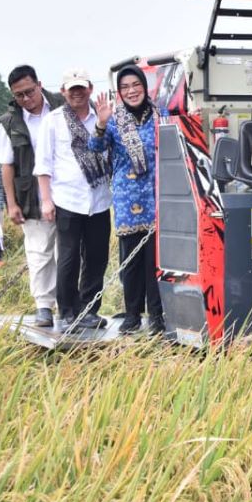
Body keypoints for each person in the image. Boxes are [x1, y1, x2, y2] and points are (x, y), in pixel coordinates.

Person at [35, 68, 113, 330]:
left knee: (97, 257)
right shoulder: (53, 120)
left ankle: (89, 310)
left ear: (90, 89)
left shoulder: (102, 116)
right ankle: (68, 311)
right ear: (63, 92)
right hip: (67, 198)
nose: (77, 93)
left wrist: (104, 122)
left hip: (99, 198)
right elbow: (43, 164)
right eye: (72, 89)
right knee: (68, 258)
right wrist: (46, 200)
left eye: (81, 88)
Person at [91, 65, 165, 335]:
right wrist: (101, 124)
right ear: (119, 93)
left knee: (155, 260)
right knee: (131, 261)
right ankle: (132, 315)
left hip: (157, 196)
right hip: (127, 198)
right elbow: (95, 148)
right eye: (125, 87)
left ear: (145, 86)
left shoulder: (160, 116)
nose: (131, 91)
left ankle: (156, 315)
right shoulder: (114, 120)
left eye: (136, 85)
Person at [0, 64, 63, 328]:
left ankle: (71, 305)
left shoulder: (62, 107)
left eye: (29, 92)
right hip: (31, 196)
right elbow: (6, 165)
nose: (26, 99)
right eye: (19, 95)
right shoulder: (9, 122)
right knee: (39, 251)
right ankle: (44, 306)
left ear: (40, 85)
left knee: (70, 253)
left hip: (67, 192)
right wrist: (11, 203)